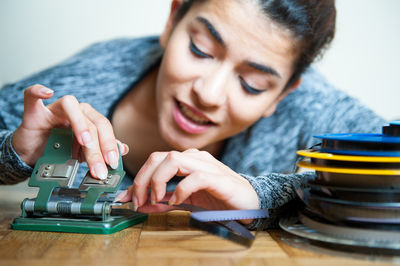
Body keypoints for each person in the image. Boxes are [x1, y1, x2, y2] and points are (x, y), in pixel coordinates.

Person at [0, 0, 385, 228]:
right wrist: (15, 151)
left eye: (251, 84)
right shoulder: (91, 75)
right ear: (172, 20)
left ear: (283, 94)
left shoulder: (308, 103)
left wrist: (262, 195)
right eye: (200, 49)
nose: (208, 93)